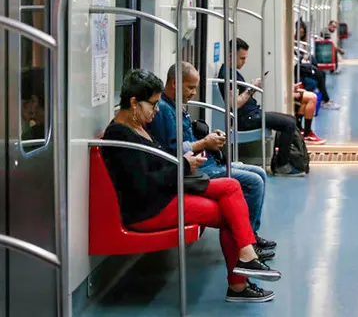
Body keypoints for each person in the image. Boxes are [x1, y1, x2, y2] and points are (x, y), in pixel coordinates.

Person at [101, 69, 280, 303]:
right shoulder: (120, 136)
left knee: (231, 187)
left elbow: (159, 160)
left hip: (164, 193)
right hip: (150, 207)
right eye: (152, 105)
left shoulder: (138, 126)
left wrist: (185, 162)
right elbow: (144, 183)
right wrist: (184, 166)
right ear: (134, 102)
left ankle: (246, 256)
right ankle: (238, 284)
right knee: (230, 214)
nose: (156, 111)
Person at [147, 62, 276, 258]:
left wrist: (207, 140)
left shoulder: (177, 106)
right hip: (194, 171)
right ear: (174, 83)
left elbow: (188, 141)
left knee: (259, 173)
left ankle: (251, 236)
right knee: (254, 182)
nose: (193, 93)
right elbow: (172, 150)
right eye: (190, 87)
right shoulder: (164, 111)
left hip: (206, 162)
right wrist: (204, 143)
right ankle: (246, 242)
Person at [219, 38, 305, 177]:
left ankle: (283, 160)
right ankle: (282, 165)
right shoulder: (227, 75)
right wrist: (251, 89)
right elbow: (233, 103)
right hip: (246, 119)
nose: (244, 62)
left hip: (251, 113)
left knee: (290, 119)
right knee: (288, 123)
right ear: (230, 55)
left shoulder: (233, 72)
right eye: (242, 58)